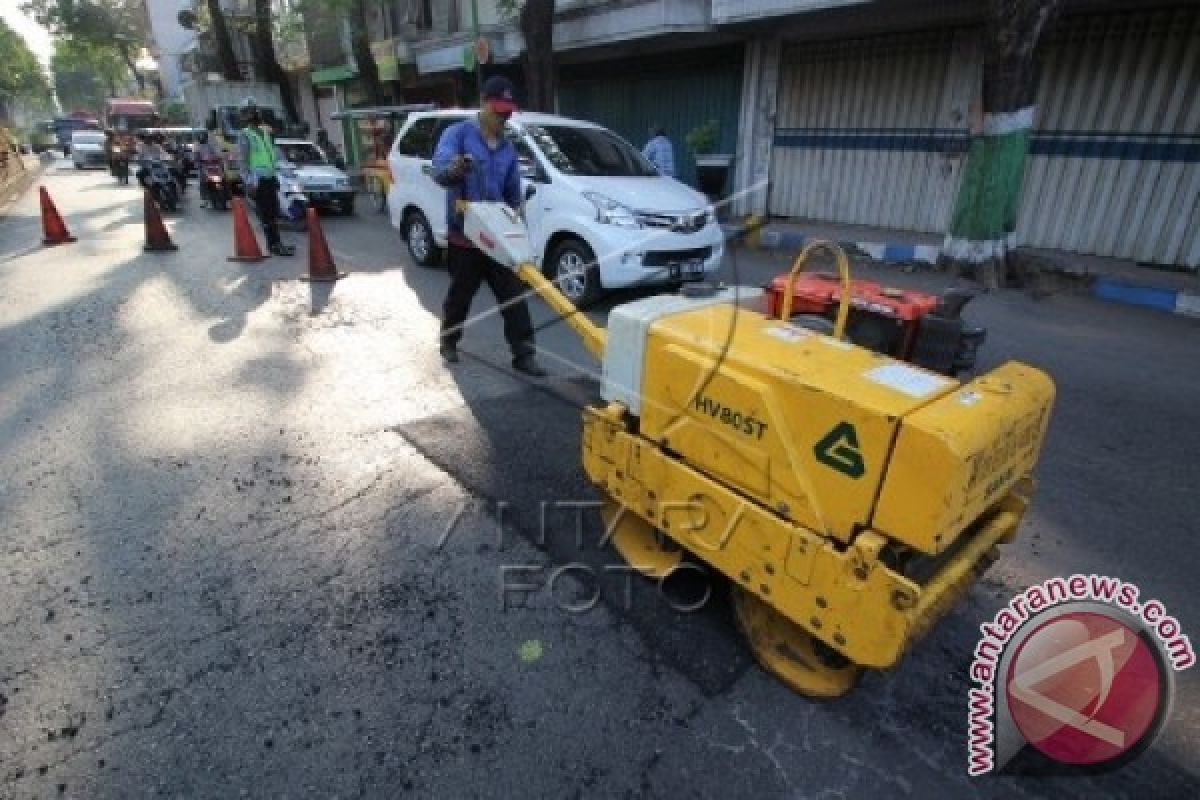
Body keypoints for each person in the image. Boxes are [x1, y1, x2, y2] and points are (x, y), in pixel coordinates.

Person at [431, 75, 546, 378]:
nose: (503, 118)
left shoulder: (507, 149)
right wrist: (454, 170)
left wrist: (517, 214)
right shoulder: (457, 135)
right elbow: (440, 171)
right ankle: (449, 341)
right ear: (483, 103)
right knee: (460, 296)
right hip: (465, 237)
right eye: (498, 111)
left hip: (497, 239)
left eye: (507, 113)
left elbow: (512, 192)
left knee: (514, 297)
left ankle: (524, 354)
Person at [238, 97, 294, 256]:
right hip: (258, 181)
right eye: (248, 112)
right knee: (267, 214)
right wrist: (248, 182)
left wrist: (285, 169)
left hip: (270, 177)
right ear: (245, 116)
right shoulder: (245, 135)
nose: (253, 114)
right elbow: (242, 161)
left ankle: (277, 243)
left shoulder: (265, 132)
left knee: (274, 212)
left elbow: (274, 153)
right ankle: (274, 246)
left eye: (253, 111)